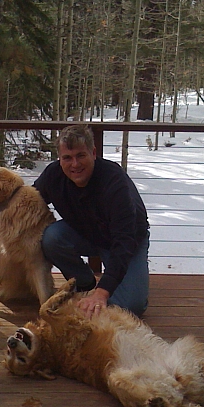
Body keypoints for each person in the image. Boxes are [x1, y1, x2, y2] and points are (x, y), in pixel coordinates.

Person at [34, 125, 150, 318]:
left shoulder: (114, 182)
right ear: (59, 159)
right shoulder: (53, 175)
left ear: (93, 153)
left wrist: (102, 293)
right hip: (87, 235)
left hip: (127, 242)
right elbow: (29, 204)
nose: (75, 164)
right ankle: (84, 282)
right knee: (51, 237)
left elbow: (125, 241)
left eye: (81, 156)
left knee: (132, 306)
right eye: (67, 158)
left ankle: (99, 296)